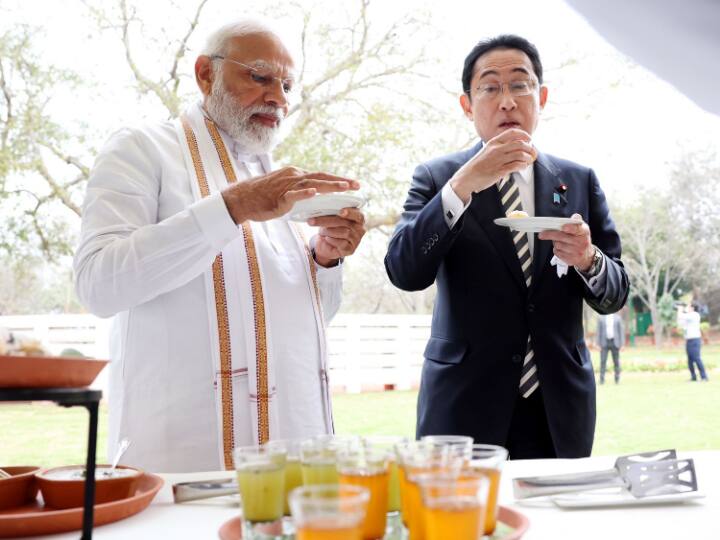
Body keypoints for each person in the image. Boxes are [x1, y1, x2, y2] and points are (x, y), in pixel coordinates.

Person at [74, 19, 366, 472]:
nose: (278, 98)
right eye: (259, 76)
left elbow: (303, 322)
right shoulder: (142, 149)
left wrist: (326, 259)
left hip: (294, 455)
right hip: (182, 454)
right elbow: (98, 285)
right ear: (205, 74)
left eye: (287, 85)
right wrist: (231, 207)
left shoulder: (274, 181)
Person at [384, 35, 629, 459]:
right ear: (467, 104)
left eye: (520, 84)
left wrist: (588, 260)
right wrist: (461, 186)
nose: (507, 101)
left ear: (542, 96)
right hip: (463, 406)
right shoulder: (437, 175)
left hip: (558, 408)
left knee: (556, 526)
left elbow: (617, 293)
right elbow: (404, 271)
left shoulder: (579, 180)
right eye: (490, 86)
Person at [677, 303, 709, 382]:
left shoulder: (695, 315)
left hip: (695, 340)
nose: (687, 308)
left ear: (692, 308)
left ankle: (704, 377)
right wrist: (680, 312)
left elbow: (682, 316)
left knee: (697, 358)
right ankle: (693, 377)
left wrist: (680, 310)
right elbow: (680, 323)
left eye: (688, 307)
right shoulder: (688, 317)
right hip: (688, 340)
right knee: (690, 360)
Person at [596, 313, 624, 384]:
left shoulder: (618, 318)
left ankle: (617, 379)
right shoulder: (601, 318)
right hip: (604, 343)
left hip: (615, 342)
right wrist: (598, 344)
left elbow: (621, 331)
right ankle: (602, 379)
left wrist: (622, 344)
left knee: (616, 362)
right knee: (603, 361)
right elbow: (598, 331)